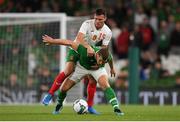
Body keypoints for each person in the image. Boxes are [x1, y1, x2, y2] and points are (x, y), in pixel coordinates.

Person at [42, 8, 112, 114]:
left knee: (92, 79)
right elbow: (79, 39)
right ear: (94, 17)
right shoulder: (87, 24)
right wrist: (88, 47)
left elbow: (104, 49)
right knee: (68, 70)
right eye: (96, 19)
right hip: (77, 48)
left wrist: (99, 60)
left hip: (90, 53)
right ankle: (50, 94)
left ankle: (90, 106)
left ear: (105, 19)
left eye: (100, 20)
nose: (97, 21)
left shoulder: (108, 32)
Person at [42, 35, 124, 116]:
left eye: (103, 62)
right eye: (101, 61)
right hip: (81, 68)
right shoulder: (85, 50)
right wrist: (52, 41)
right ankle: (59, 105)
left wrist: (112, 68)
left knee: (105, 85)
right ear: (98, 55)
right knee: (64, 89)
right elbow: (69, 43)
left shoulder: (106, 56)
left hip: (96, 70)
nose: (101, 63)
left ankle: (116, 108)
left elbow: (110, 59)